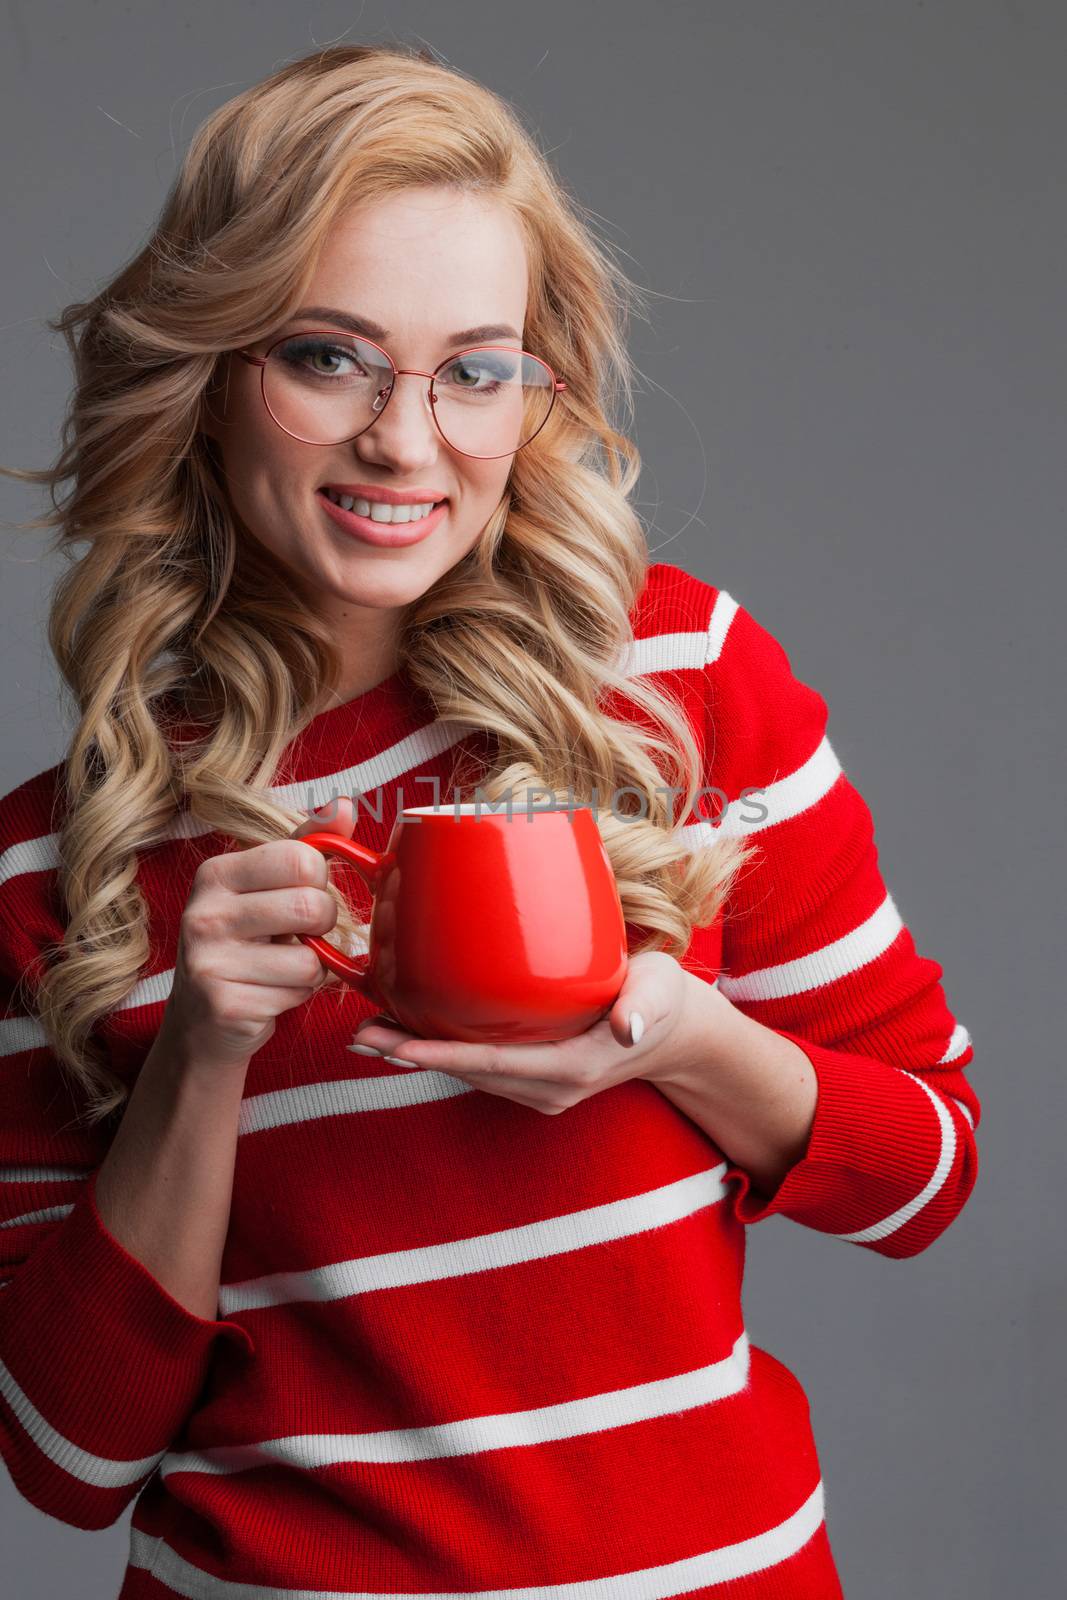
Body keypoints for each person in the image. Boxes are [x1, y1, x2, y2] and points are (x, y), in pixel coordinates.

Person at [0, 42, 979, 1599]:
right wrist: (194, 1053)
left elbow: (930, 1169)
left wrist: (681, 1041)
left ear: (538, 390)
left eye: (475, 367)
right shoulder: (60, 860)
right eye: (326, 357)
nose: (407, 440)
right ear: (207, 372)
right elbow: (65, 1462)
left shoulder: (682, 681)